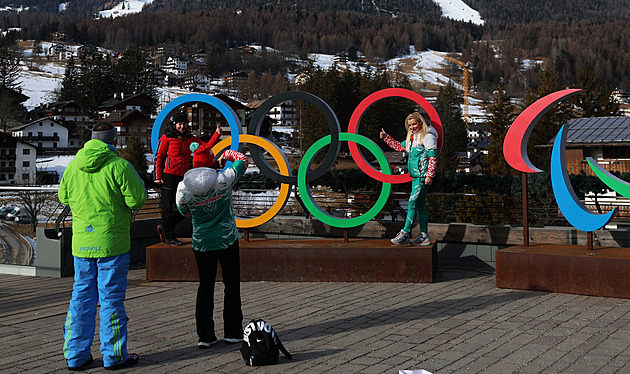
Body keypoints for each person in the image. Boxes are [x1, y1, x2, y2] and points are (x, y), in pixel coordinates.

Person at [59, 122, 147, 370]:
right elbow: (137, 198)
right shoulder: (119, 166)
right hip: (112, 243)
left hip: (82, 245)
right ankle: (114, 356)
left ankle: (75, 355)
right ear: (113, 141)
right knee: (111, 301)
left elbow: (63, 197)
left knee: (81, 298)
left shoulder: (74, 166)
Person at [176, 142, 248, 348]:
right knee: (232, 286)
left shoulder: (184, 189)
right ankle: (233, 333)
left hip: (202, 243)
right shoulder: (223, 180)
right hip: (227, 240)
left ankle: (205, 337)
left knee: (205, 287)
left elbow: (183, 211)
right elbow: (242, 160)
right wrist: (226, 154)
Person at [154, 112, 222, 246]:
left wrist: (217, 135)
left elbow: (206, 147)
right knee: (167, 207)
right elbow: (159, 157)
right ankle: (169, 236)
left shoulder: (191, 139)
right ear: (175, 125)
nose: (182, 126)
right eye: (179, 124)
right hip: (169, 176)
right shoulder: (167, 137)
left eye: (184, 124)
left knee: (184, 208)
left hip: (183, 177)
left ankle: (165, 227)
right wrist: (157, 176)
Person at [380, 112, 438, 246]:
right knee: (420, 206)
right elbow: (400, 146)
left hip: (422, 177)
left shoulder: (428, 137)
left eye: (414, 124)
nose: (412, 127)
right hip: (416, 177)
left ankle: (405, 232)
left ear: (421, 123)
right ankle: (424, 236)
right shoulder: (413, 137)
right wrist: (386, 138)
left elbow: (433, 158)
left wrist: (430, 175)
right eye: (410, 125)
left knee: (412, 202)